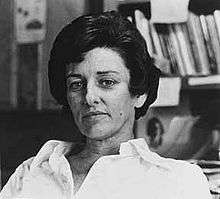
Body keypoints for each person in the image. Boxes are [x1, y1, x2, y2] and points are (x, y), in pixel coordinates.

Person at [0, 11, 211, 199]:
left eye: (107, 82)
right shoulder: (30, 172)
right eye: (76, 84)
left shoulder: (178, 182)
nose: (89, 97)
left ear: (140, 94)